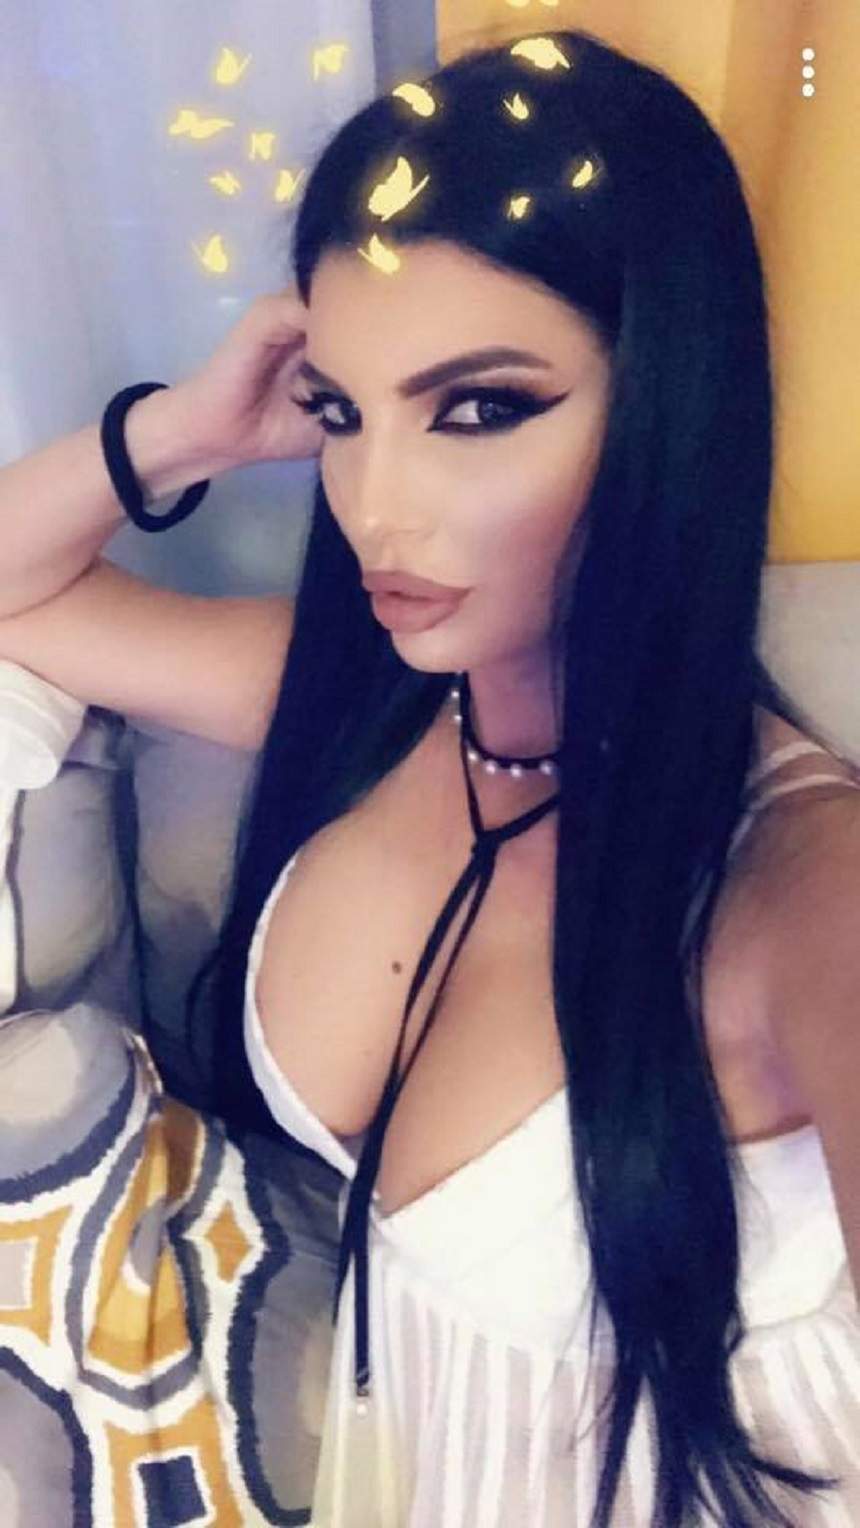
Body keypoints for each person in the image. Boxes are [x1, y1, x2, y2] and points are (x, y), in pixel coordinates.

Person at [2, 24, 859, 1527]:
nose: (373, 507)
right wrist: (186, 430)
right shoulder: (371, 708)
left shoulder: (801, 890)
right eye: (343, 412)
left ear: (672, 404)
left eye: (478, 408)